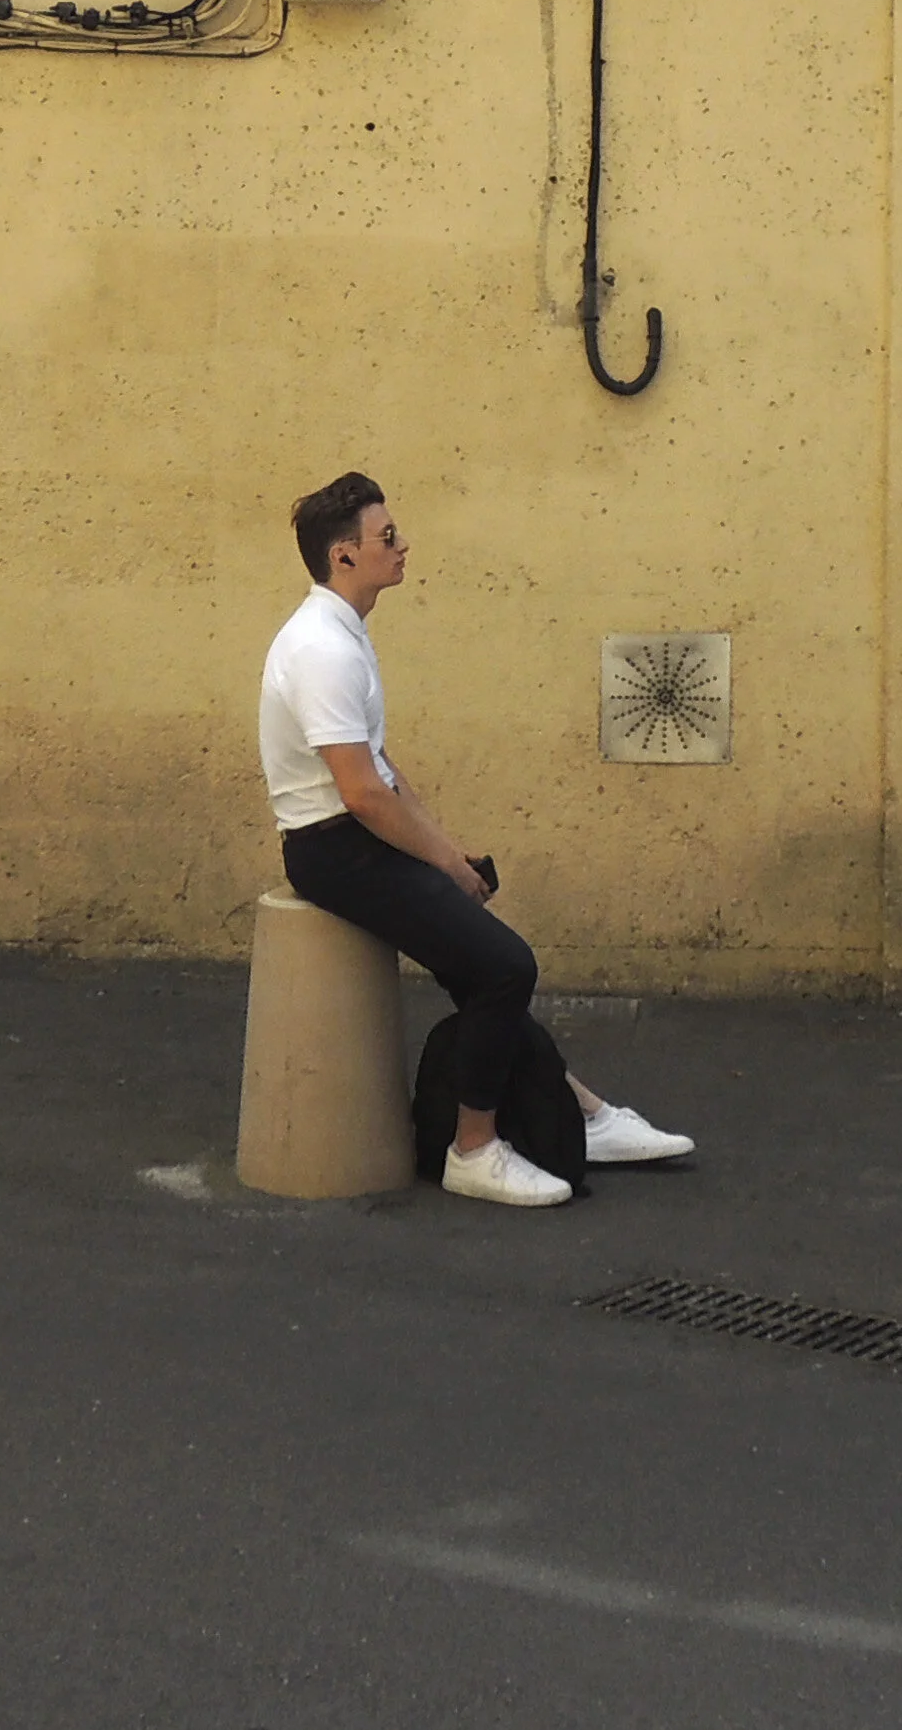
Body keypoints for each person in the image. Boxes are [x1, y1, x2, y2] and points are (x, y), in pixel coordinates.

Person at [260, 471, 695, 1209]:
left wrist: (451, 855)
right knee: (504, 968)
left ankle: (582, 1116)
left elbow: (386, 774)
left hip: (356, 830)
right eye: (387, 536)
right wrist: (438, 862)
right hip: (329, 847)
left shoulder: (343, 634)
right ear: (345, 556)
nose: (403, 545)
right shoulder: (320, 649)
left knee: (482, 967)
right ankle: (474, 1148)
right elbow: (362, 793)